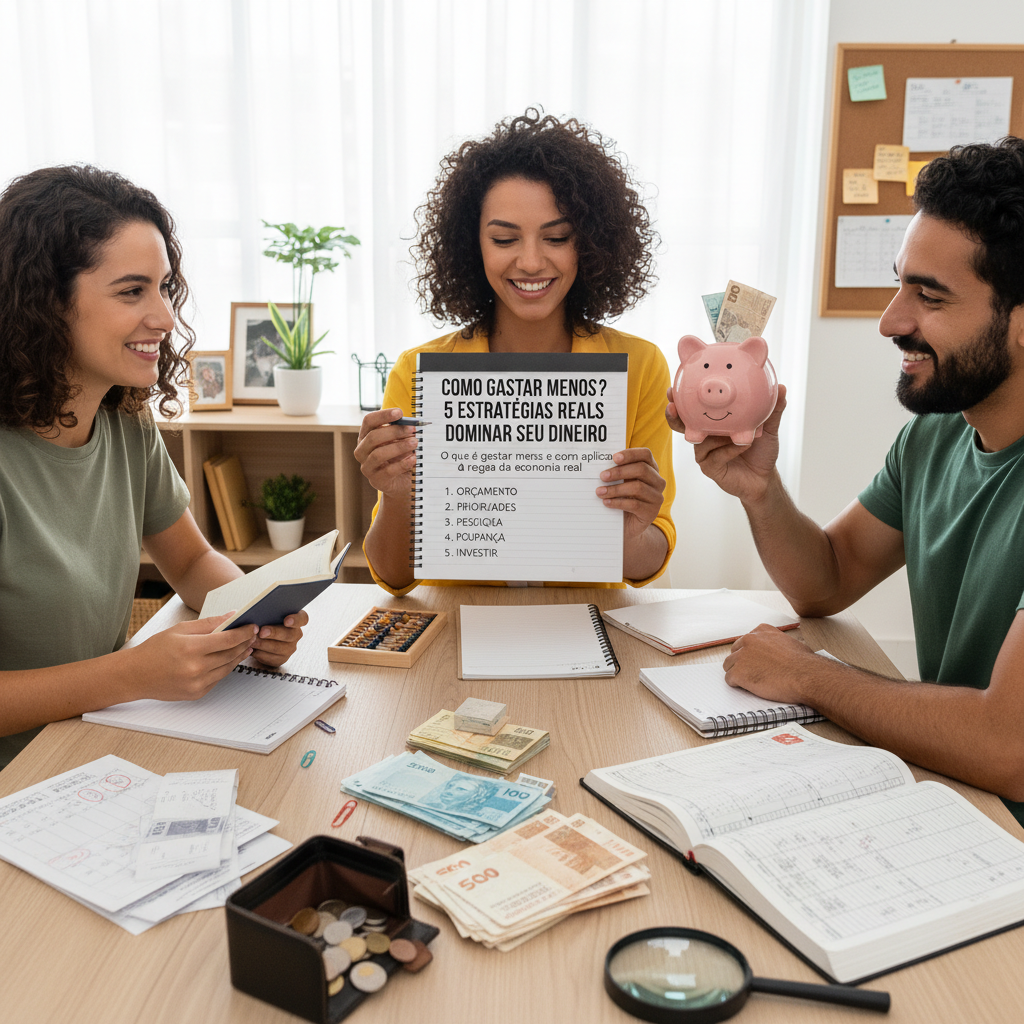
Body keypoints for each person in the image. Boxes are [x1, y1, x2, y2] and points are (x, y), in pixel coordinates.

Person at [668, 137, 1024, 822]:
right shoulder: (938, 433)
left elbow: (1009, 746)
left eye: (930, 296)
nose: (891, 320)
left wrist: (810, 676)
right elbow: (826, 579)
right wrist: (760, 490)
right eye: (899, 283)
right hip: (957, 797)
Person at [0, 165, 307, 766]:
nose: (165, 318)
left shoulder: (125, 420)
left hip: (91, 744)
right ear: (44, 303)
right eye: (131, 291)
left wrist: (248, 618)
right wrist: (129, 674)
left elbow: (191, 560)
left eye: (164, 288)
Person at [356, 109, 676, 594]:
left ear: (588, 244)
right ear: (473, 245)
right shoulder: (419, 372)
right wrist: (396, 497)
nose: (530, 261)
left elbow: (644, 565)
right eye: (505, 238)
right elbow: (395, 577)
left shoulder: (641, 367)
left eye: (557, 237)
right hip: (455, 631)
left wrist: (630, 532)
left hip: (585, 631)